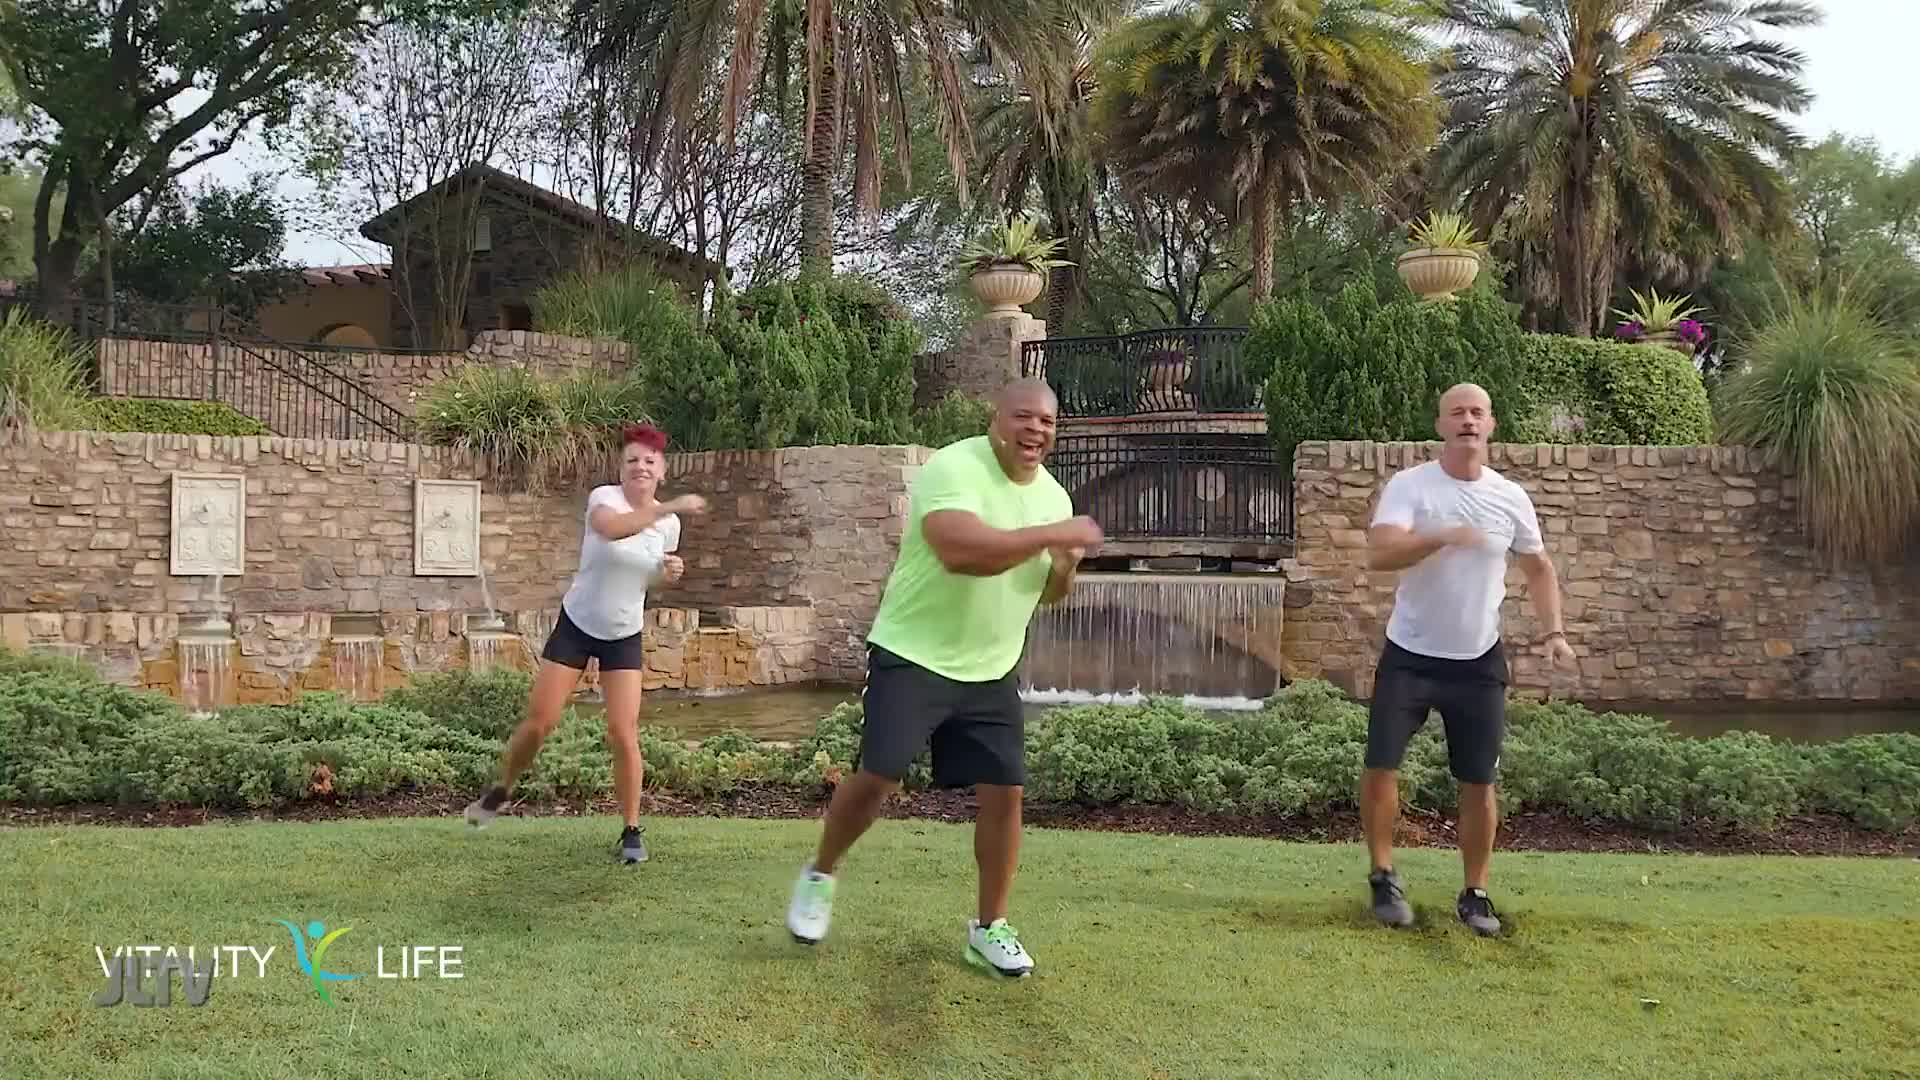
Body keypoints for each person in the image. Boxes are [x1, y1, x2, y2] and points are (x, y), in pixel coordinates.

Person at [782, 379, 1104, 977]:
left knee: (1006, 794)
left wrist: (1062, 567)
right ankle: (821, 872)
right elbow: (962, 552)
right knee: (878, 778)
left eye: (1048, 423)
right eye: (1023, 416)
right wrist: (1052, 537)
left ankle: (989, 928)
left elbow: (1051, 594)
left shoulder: (1054, 500)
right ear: (996, 418)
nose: (1036, 429)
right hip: (913, 655)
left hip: (990, 669)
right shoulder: (954, 468)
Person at [1360, 382, 1575, 935]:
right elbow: (1380, 555)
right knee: (1382, 765)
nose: (1468, 420)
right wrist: (1439, 536)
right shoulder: (1411, 487)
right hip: (1409, 655)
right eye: (1457, 412)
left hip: (1478, 660)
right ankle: (1383, 877)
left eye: (1477, 412)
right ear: (1441, 426)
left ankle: (1475, 893)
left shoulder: (1510, 497)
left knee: (1479, 781)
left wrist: (1553, 631)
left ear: (1491, 424)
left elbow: (1539, 568)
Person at [464, 423, 709, 864]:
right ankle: (499, 791)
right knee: (540, 723)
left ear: (662, 470)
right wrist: (666, 507)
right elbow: (612, 531)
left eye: (649, 461)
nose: (640, 466)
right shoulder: (604, 500)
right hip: (577, 624)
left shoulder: (668, 526)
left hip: (623, 634)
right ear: (621, 467)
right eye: (632, 460)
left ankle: (632, 832)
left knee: (623, 732)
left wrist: (667, 575)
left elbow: (647, 577)